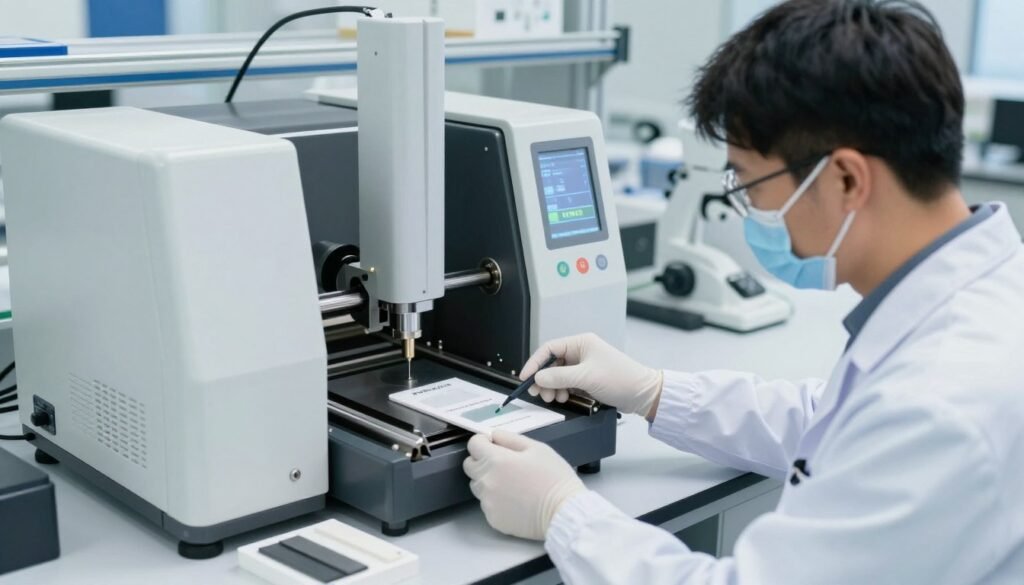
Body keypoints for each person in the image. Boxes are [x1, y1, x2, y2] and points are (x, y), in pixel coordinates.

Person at [462, 0, 1024, 583]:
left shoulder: (940, 402)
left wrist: (563, 513)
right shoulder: (982, 299)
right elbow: (833, 422)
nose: (748, 207)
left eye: (750, 183)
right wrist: (654, 391)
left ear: (847, 179)